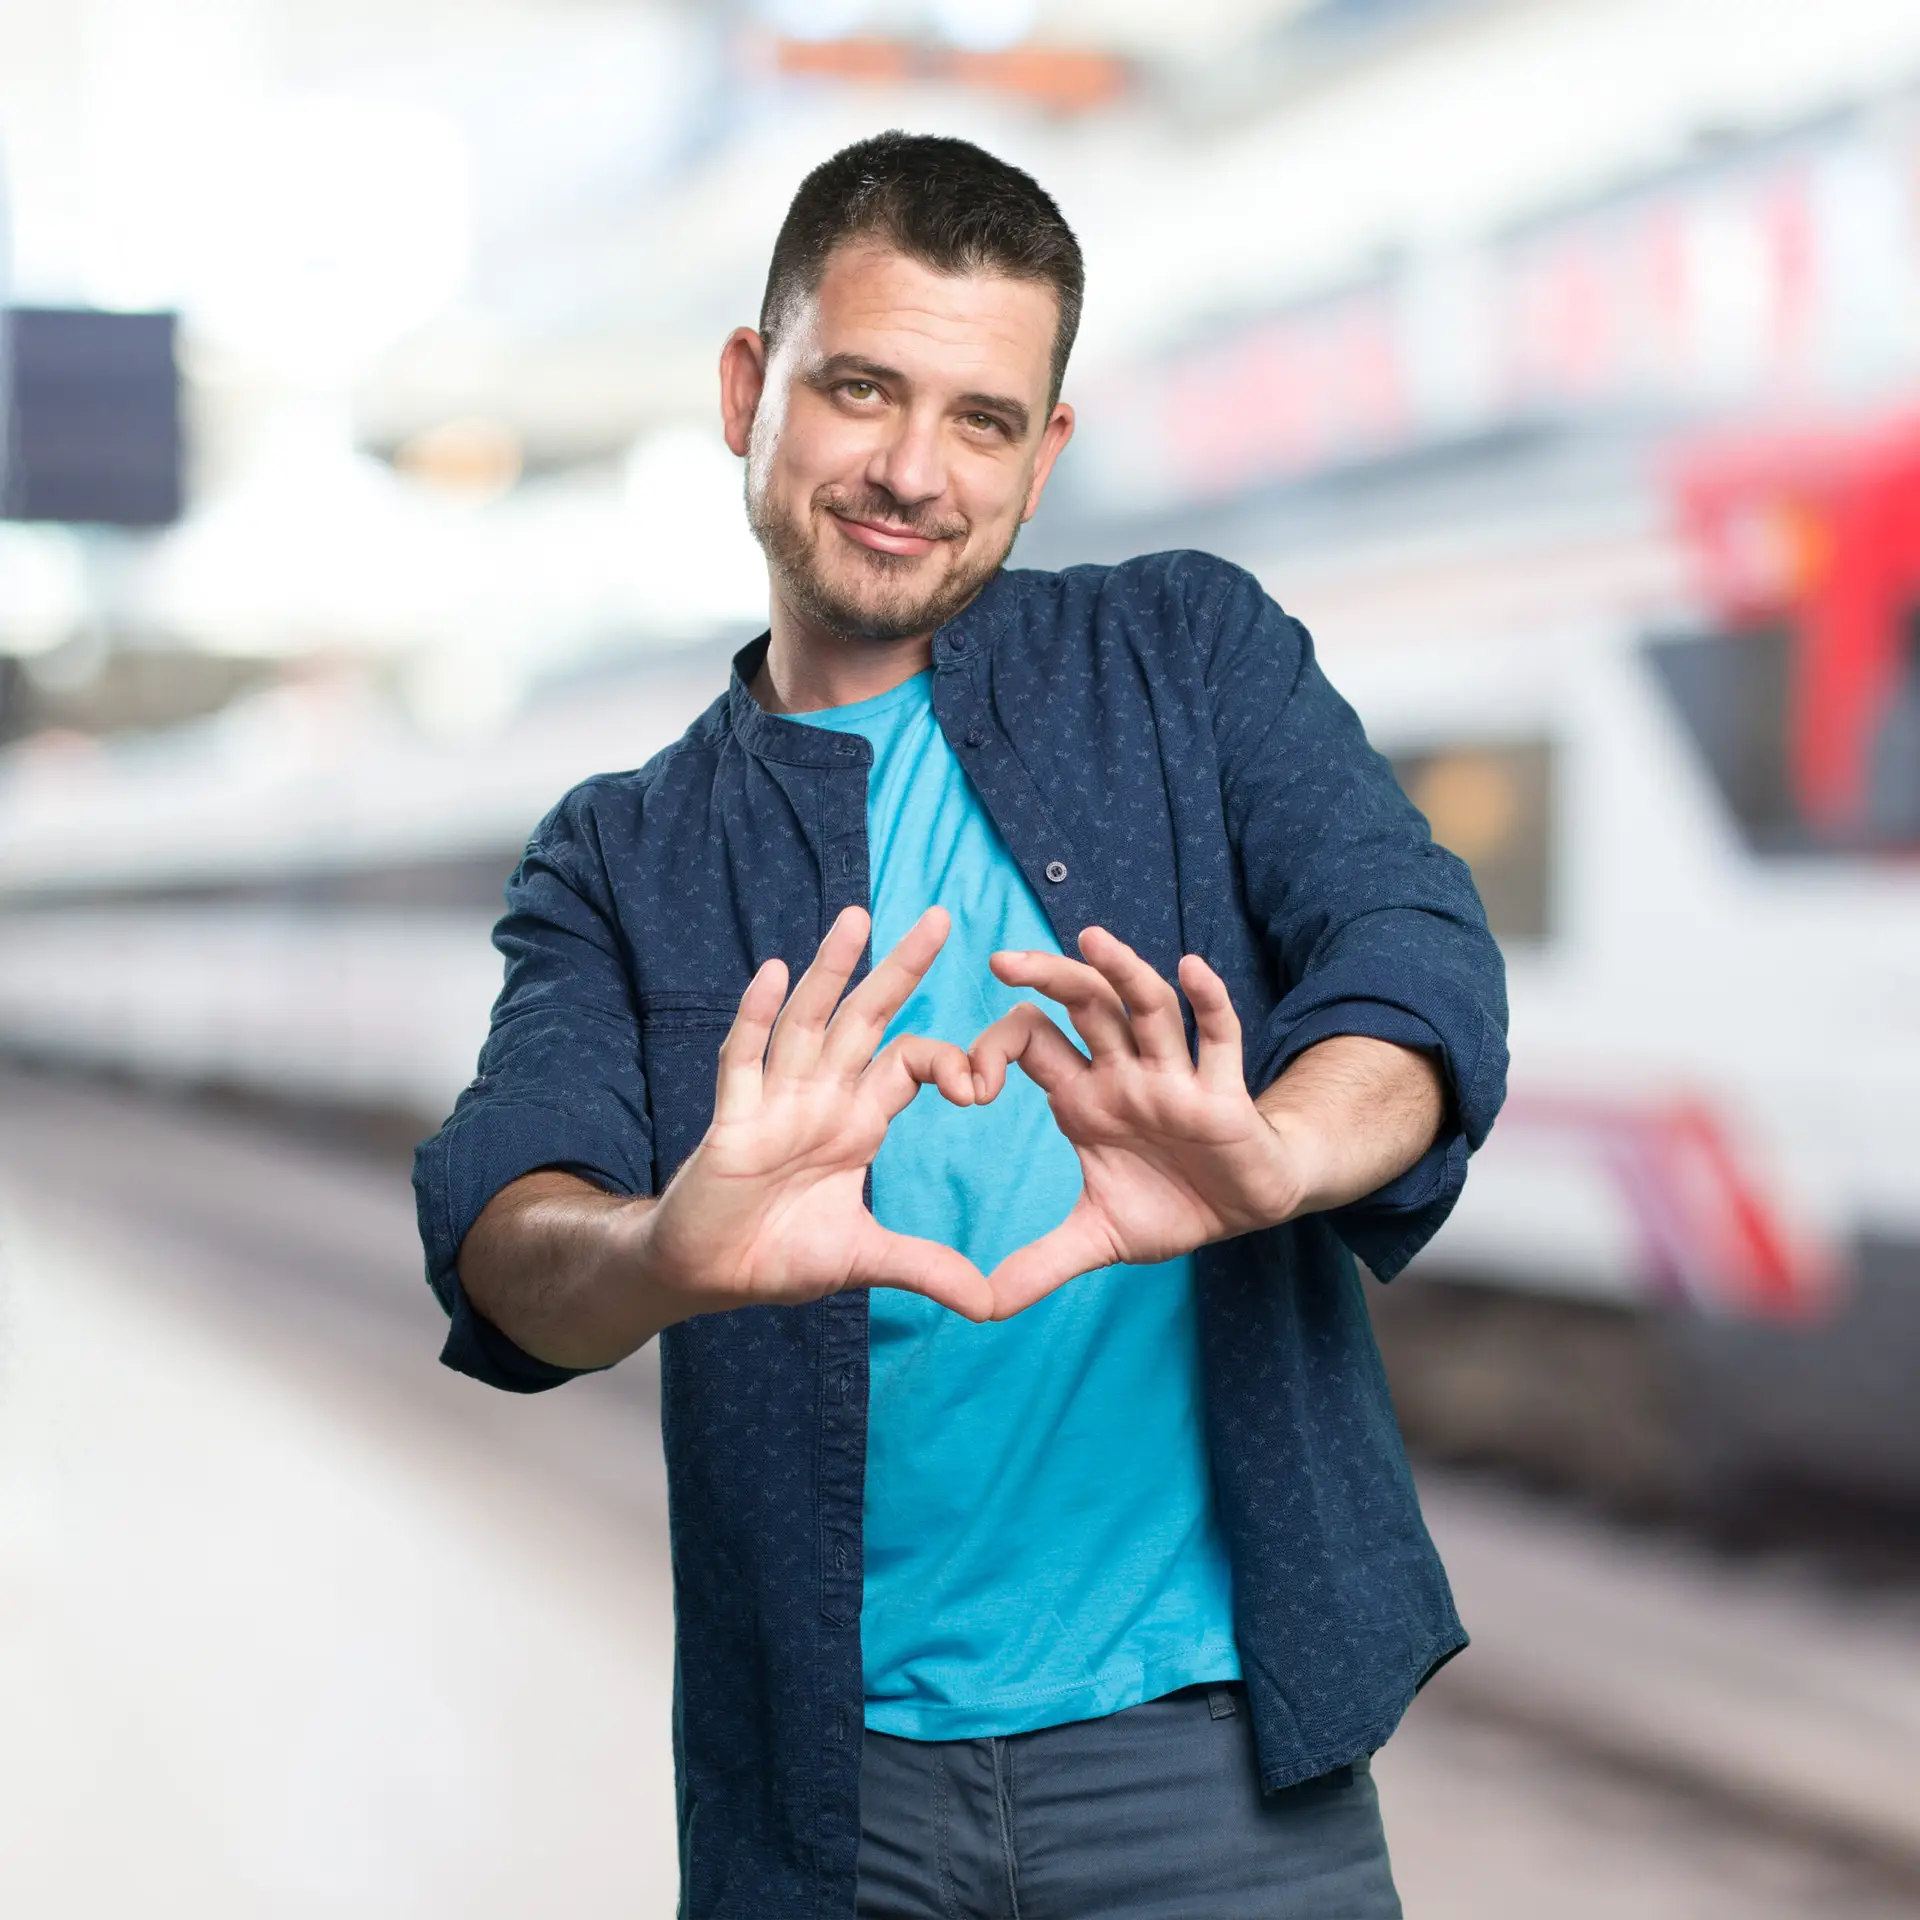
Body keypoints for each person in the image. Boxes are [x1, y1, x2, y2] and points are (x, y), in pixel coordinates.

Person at [414, 131, 1507, 1920]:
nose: (914, 472)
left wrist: (1283, 1146)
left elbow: (1418, 949)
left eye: (983, 420)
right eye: (862, 390)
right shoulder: (618, 851)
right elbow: (506, 1230)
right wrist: (662, 1249)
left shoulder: (1191, 657)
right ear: (748, 389)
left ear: (1044, 452)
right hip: (827, 1803)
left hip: (1220, 1760)